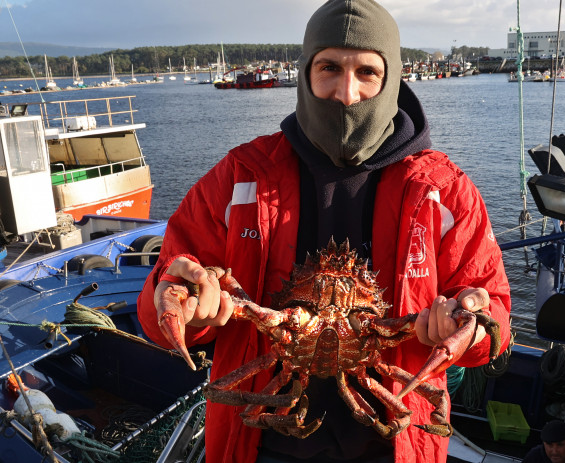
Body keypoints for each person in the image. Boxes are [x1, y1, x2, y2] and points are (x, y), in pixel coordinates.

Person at [137, 0, 511, 462]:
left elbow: (494, 320)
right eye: (329, 67)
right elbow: (164, 299)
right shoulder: (239, 179)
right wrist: (188, 304)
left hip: (395, 446)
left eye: (367, 72)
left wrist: (470, 326)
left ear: (391, 78)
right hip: (260, 447)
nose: (346, 93)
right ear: (305, 72)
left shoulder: (443, 191)